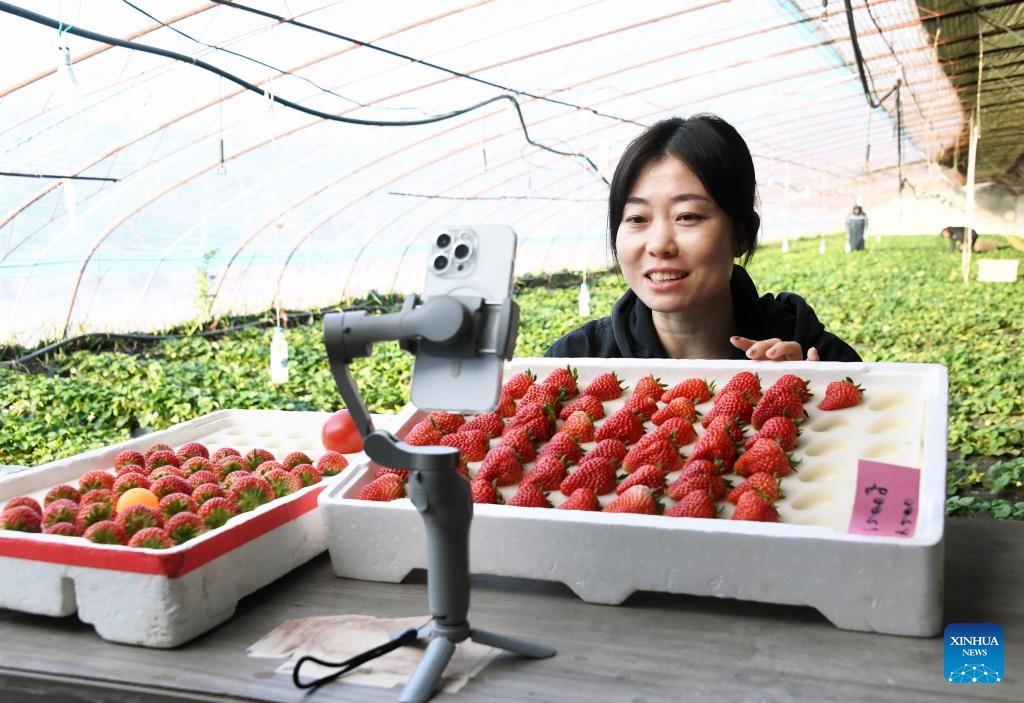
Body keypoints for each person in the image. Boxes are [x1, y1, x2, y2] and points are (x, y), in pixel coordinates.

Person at [545, 114, 860, 362]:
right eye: (637, 219)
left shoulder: (817, 360)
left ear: (743, 234)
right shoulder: (577, 360)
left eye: (687, 217)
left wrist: (811, 410)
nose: (658, 245)